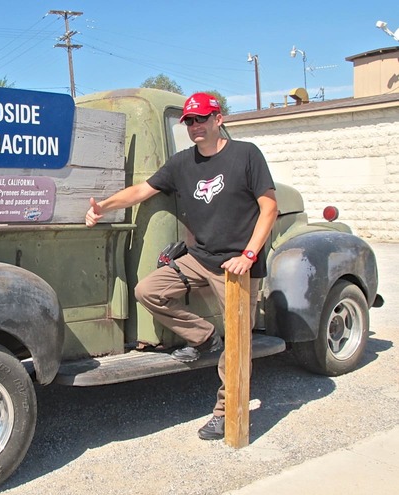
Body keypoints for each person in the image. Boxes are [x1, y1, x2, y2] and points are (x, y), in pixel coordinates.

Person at [85, 92, 278, 440]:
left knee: (239, 342)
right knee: (149, 290)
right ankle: (204, 338)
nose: (195, 126)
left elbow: (269, 209)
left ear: (219, 119)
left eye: (201, 118)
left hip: (236, 267)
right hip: (199, 259)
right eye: (189, 120)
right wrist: (103, 207)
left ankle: (227, 411)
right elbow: (141, 190)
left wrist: (248, 255)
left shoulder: (246, 155)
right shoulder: (182, 163)